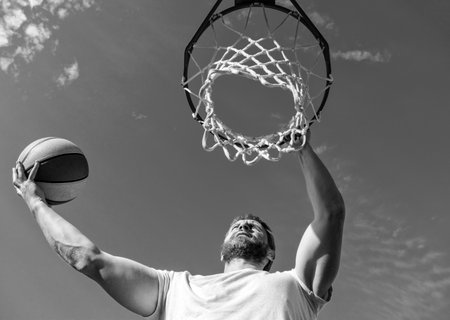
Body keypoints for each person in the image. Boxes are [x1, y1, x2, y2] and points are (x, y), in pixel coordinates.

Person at [12, 134, 345, 320]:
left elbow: (330, 213)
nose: (245, 224)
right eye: (238, 225)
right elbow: (88, 259)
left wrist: (302, 148)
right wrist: (35, 201)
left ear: (271, 252)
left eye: (257, 227)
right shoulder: (174, 289)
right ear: (222, 248)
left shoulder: (297, 286)